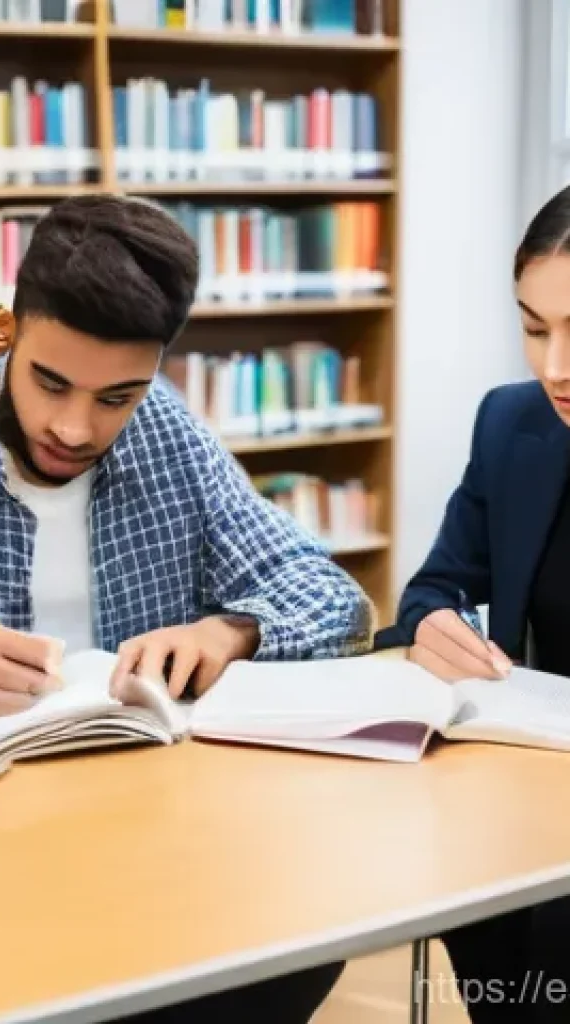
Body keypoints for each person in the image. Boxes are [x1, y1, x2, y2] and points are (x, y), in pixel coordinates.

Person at [0, 193, 373, 1022]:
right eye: (52, 383)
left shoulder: (167, 437)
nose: (77, 428)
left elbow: (332, 597)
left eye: (117, 395)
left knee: (303, 937)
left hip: (151, 836)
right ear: (3, 331)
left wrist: (231, 629)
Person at [384, 184, 570, 1022]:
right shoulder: (510, 424)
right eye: (534, 329)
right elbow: (433, 589)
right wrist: (432, 626)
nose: (553, 368)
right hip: (528, 794)